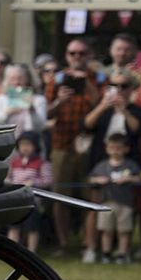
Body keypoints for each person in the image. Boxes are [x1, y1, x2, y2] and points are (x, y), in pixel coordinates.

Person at [46, 39, 101, 250]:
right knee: (61, 195)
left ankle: (88, 244)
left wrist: (86, 83)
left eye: (81, 53)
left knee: (89, 196)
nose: (77, 57)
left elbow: (101, 105)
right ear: (67, 56)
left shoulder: (98, 78)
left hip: (89, 144)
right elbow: (48, 113)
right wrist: (60, 100)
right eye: (72, 53)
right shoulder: (57, 79)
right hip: (61, 144)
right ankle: (63, 243)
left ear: (89, 55)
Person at [86, 134, 141, 264]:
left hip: (125, 204)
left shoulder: (130, 165)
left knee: (124, 230)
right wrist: (98, 180)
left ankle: (123, 254)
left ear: (125, 149)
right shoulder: (102, 165)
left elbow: (140, 177)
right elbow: (90, 178)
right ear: (107, 149)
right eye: (112, 148)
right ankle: (106, 253)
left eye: (119, 148)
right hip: (106, 204)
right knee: (106, 230)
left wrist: (128, 179)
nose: (115, 151)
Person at [7, 132, 52, 253]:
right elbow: (8, 178)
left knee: (32, 227)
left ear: (35, 146)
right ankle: (12, 251)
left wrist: (33, 182)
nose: (25, 148)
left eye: (28, 144)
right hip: (16, 200)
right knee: (14, 226)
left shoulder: (42, 163)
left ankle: (31, 251)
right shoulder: (14, 162)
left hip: (33, 201)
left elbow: (47, 181)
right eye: (22, 145)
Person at [0, 63, 47, 138]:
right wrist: (6, 113)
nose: (16, 82)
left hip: (30, 146)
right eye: (12, 79)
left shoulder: (38, 100)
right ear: (7, 80)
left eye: (20, 78)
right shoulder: (0, 100)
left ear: (28, 79)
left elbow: (41, 127)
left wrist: (32, 111)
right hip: (5, 144)